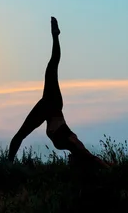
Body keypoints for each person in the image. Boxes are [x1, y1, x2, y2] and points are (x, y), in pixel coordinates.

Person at [8, 17, 111, 168]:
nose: (69, 160)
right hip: (53, 106)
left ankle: (7, 166)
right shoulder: (72, 142)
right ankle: (55, 36)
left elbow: (89, 157)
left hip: (50, 106)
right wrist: (107, 167)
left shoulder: (72, 143)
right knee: (52, 67)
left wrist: (106, 166)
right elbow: (89, 156)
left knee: (52, 66)